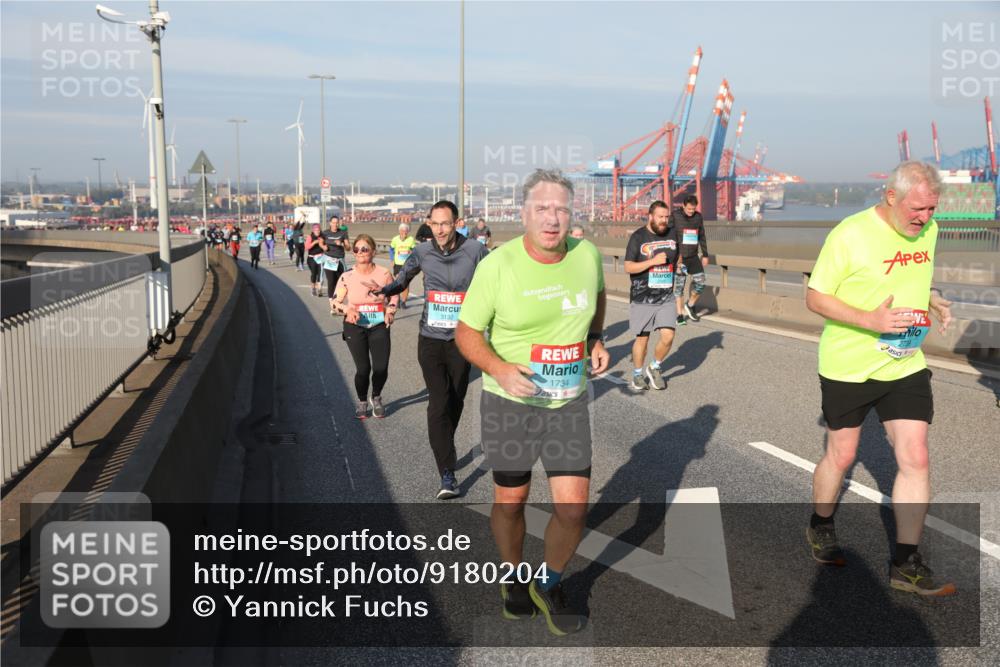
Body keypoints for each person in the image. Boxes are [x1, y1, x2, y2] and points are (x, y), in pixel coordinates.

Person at [456, 169, 609, 635]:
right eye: (542, 209)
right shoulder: (497, 266)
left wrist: (596, 338)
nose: (552, 218)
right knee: (510, 502)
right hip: (510, 404)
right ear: (523, 214)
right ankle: (512, 578)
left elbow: (598, 298)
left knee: (573, 508)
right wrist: (500, 368)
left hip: (567, 404)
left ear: (572, 215)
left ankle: (549, 582)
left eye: (561, 209)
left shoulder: (587, 256)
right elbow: (466, 332)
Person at [804, 161, 954, 596]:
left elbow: (904, 276)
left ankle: (906, 562)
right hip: (849, 365)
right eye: (917, 208)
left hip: (904, 363)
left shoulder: (930, 230)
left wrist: (932, 298)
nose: (924, 218)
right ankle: (821, 523)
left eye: (932, 209)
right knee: (842, 455)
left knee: (916, 457)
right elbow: (814, 296)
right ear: (891, 196)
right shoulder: (850, 234)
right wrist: (870, 319)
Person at [373, 201, 489, 499]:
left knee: (456, 398)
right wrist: (384, 291)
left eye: (445, 224)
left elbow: (496, 282)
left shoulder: (476, 251)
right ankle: (447, 473)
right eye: (434, 223)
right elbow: (403, 279)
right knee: (438, 401)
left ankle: (444, 444)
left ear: (457, 223)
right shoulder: (422, 252)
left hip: (464, 339)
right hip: (430, 339)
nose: (439, 229)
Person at [332, 234, 398, 420]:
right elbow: (334, 302)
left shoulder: (384, 274)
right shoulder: (347, 276)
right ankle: (362, 401)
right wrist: (347, 309)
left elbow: (394, 295)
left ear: (373, 251)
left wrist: (390, 311)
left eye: (364, 249)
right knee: (363, 369)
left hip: (378, 323)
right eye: (357, 249)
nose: (360, 252)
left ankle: (376, 396)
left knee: (381, 367)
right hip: (354, 325)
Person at [623, 201, 680, 391]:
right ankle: (638, 374)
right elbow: (628, 266)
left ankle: (654, 367)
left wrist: (679, 266)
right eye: (660, 217)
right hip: (642, 297)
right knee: (643, 340)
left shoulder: (673, 233)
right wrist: (653, 262)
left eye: (666, 217)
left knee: (668, 336)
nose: (664, 220)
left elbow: (676, 256)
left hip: (665, 296)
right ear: (650, 216)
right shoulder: (638, 237)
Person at [672, 195, 709, 324]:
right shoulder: (675, 216)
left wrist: (705, 254)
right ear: (683, 206)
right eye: (689, 209)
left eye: (693, 209)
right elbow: (669, 235)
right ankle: (679, 315)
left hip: (693, 256)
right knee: (679, 287)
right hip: (679, 258)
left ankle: (690, 304)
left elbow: (702, 236)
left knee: (701, 282)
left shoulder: (698, 217)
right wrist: (674, 255)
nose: (691, 212)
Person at [322, 215, 350, 313]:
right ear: (330, 223)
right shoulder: (325, 233)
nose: (335, 224)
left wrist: (342, 244)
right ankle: (332, 306)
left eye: (337, 222)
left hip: (340, 260)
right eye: (333, 222)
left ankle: (338, 302)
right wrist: (324, 247)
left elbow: (348, 247)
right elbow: (321, 243)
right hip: (329, 260)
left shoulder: (343, 233)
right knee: (331, 282)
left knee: (340, 283)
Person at [388, 223, 417, 308]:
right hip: (397, 264)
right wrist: (392, 259)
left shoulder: (411, 239)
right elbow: (391, 249)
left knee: (406, 284)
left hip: (408, 264)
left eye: (406, 231)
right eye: (403, 231)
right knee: (398, 282)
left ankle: (403, 302)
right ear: (399, 231)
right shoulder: (395, 239)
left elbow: (414, 250)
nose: (404, 233)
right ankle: (397, 299)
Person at [305, 223, 327, 296]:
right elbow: (306, 247)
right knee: (314, 274)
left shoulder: (322, 236)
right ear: (313, 230)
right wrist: (314, 243)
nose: (317, 231)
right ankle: (313, 288)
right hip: (312, 258)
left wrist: (322, 244)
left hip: (321, 257)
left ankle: (319, 289)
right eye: (316, 230)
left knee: (320, 274)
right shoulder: (310, 237)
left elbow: (326, 245)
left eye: (319, 230)